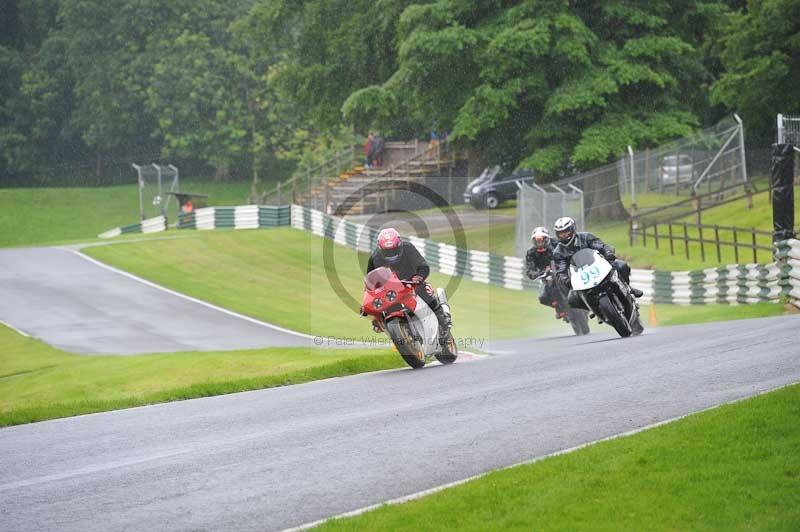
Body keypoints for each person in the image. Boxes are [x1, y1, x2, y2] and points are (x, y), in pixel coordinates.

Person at [366, 227, 452, 343]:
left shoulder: (408, 248)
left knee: (425, 292)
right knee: (380, 310)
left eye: (394, 250)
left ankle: (444, 320)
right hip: (391, 289)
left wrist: (420, 277)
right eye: (387, 252)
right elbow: (371, 280)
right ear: (380, 249)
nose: (391, 254)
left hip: (412, 282)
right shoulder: (375, 257)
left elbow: (423, 265)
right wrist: (369, 300)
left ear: (400, 245)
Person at [551, 217, 643, 309]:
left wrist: (608, 253)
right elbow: (561, 269)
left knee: (621, 266)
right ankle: (594, 308)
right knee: (572, 300)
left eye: (565, 232)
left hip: (598, 267)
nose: (563, 235)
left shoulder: (586, 237)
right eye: (560, 233)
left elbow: (601, 246)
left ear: (572, 229)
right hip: (580, 277)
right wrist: (566, 280)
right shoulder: (558, 252)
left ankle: (628, 289)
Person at [524, 226, 560, 316]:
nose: (539, 243)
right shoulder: (531, 253)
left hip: (562, 270)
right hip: (547, 277)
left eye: (541, 240)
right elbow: (530, 270)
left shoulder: (557, 243)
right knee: (543, 298)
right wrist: (539, 274)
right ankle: (558, 307)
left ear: (547, 239)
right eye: (537, 241)